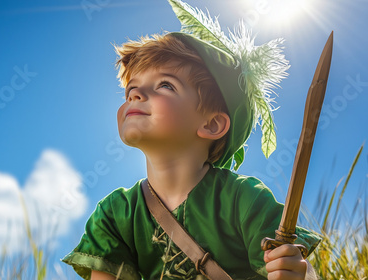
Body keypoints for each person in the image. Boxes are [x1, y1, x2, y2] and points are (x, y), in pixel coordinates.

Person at [62, 0, 321, 279]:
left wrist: (300, 273)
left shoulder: (244, 200)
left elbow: (293, 269)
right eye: (131, 90)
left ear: (211, 124)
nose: (135, 95)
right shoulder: (114, 214)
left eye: (165, 85)